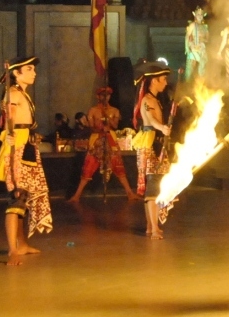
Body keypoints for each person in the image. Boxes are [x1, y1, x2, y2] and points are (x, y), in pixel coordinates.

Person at [0, 56, 52, 266]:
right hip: (16, 146)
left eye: (34, 69)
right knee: (16, 197)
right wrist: (9, 134)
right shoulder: (13, 93)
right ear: (16, 73)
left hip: (26, 144)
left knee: (24, 198)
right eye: (29, 69)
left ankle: (22, 244)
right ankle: (13, 250)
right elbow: (10, 118)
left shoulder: (22, 94)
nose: (34, 73)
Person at [68, 87, 139, 202]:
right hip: (97, 140)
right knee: (89, 166)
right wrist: (100, 124)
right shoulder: (92, 110)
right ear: (98, 96)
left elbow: (115, 126)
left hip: (110, 139)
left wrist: (107, 118)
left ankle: (130, 193)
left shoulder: (115, 111)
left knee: (118, 164)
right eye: (102, 95)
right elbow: (91, 127)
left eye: (107, 95)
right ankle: (76, 196)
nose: (105, 97)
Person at [131, 61, 173, 239]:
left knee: (154, 185)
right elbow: (150, 119)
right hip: (150, 145)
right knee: (153, 187)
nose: (165, 82)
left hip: (155, 143)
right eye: (163, 79)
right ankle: (154, 228)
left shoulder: (154, 100)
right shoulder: (147, 101)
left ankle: (151, 226)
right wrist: (162, 128)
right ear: (154, 81)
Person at [184, 6, 209, 82]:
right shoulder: (192, 25)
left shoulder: (205, 27)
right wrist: (187, 48)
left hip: (201, 48)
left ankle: (201, 83)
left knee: (202, 67)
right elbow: (187, 36)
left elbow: (207, 39)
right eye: (198, 14)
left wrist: (203, 41)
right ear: (195, 15)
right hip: (193, 48)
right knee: (190, 68)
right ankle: (187, 84)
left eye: (201, 15)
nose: (200, 16)